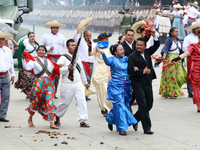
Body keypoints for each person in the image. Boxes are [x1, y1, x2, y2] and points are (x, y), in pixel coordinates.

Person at [96, 44, 138, 136]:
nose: (123, 51)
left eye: (123, 49)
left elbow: (132, 65)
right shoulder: (112, 59)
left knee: (123, 105)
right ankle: (123, 127)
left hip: (126, 86)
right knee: (120, 106)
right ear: (115, 52)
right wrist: (102, 53)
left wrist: (134, 67)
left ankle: (111, 119)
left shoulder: (127, 59)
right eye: (120, 50)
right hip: (115, 85)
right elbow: (106, 62)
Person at [128, 30, 160, 134]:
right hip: (137, 83)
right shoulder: (132, 56)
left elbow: (156, 45)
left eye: (141, 45)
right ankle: (147, 128)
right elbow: (130, 71)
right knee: (142, 105)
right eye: (137, 45)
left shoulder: (147, 52)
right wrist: (142, 71)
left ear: (145, 46)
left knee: (149, 104)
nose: (139, 47)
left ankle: (134, 119)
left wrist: (154, 35)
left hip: (147, 82)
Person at [22, 45, 62, 129]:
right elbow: (27, 67)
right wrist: (23, 59)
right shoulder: (34, 61)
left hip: (49, 83)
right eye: (39, 50)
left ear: (45, 52)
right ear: (37, 52)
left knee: (50, 101)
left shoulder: (50, 61)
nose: (41, 51)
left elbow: (56, 70)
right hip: (38, 83)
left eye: (43, 50)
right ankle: (30, 118)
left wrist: (61, 67)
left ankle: (51, 123)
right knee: (36, 102)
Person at [55, 39, 90, 127]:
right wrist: (67, 69)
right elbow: (58, 70)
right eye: (72, 45)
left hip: (78, 83)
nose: (74, 47)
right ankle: (57, 116)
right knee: (65, 102)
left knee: (81, 101)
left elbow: (81, 71)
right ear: (67, 47)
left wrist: (85, 83)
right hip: (67, 84)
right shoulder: (63, 57)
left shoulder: (78, 57)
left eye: (75, 45)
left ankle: (82, 120)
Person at [171, 31, 200, 112]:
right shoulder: (193, 46)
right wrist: (176, 59)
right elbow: (186, 53)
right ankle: (199, 106)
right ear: (198, 38)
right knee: (197, 88)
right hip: (196, 70)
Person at [40, 20, 68, 99]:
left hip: (59, 58)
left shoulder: (62, 36)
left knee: (57, 75)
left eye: (56, 28)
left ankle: (54, 92)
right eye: (54, 28)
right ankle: (48, 91)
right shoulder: (46, 36)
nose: (55, 29)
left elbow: (65, 48)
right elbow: (40, 46)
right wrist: (48, 48)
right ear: (51, 28)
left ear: (58, 28)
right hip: (50, 57)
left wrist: (68, 56)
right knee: (49, 75)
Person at [89, 32, 113, 117]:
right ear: (100, 40)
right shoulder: (97, 48)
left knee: (109, 90)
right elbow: (90, 54)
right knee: (102, 90)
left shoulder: (109, 48)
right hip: (100, 70)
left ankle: (109, 107)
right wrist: (89, 47)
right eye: (105, 38)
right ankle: (103, 107)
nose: (107, 40)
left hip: (109, 70)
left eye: (107, 38)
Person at [159, 27, 187, 99]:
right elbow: (165, 49)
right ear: (171, 33)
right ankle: (172, 93)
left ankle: (173, 91)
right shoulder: (169, 40)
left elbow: (181, 51)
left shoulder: (179, 41)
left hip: (178, 60)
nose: (177, 33)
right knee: (171, 78)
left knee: (181, 77)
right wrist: (164, 57)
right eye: (175, 32)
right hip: (170, 60)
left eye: (178, 31)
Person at [11, 32, 39, 99]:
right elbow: (17, 44)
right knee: (28, 78)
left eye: (33, 36)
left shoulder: (37, 44)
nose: (32, 37)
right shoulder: (25, 43)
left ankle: (31, 93)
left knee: (35, 79)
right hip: (27, 62)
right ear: (28, 37)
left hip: (35, 63)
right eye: (31, 36)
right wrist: (11, 39)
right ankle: (28, 92)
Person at [73, 23, 95, 101]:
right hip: (83, 63)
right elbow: (74, 36)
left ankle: (86, 94)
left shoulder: (93, 43)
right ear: (84, 36)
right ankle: (81, 94)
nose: (88, 37)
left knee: (89, 79)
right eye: (87, 36)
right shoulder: (81, 41)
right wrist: (78, 27)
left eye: (90, 36)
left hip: (91, 64)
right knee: (83, 79)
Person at [0, 31, 15, 122]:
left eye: (3, 39)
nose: (1, 41)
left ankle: (2, 115)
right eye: (0, 39)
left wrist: (12, 74)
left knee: (6, 96)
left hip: (5, 75)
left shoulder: (7, 50)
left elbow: (11, 63)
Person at [183, 22, 200, 98]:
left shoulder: (198, 37)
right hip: (191, 57)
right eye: (197, 28)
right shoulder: (188, 38)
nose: (198, 29)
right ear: (193, 29)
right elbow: (184, 48)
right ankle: (190, 91)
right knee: (190, 73)